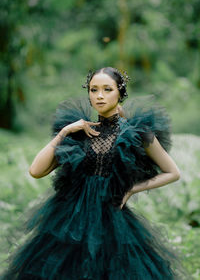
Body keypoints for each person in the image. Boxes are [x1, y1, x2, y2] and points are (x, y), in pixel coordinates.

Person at [1, 67, 190, 279]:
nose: (99, 95)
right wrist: (64, 132)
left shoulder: (136, 132)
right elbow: (36, 170)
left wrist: (131, 189)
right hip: (68, 220)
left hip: (112, 218)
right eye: (93, 90)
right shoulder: (78, 133)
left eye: (107, 89)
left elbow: (172, 172)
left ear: (120, 93)